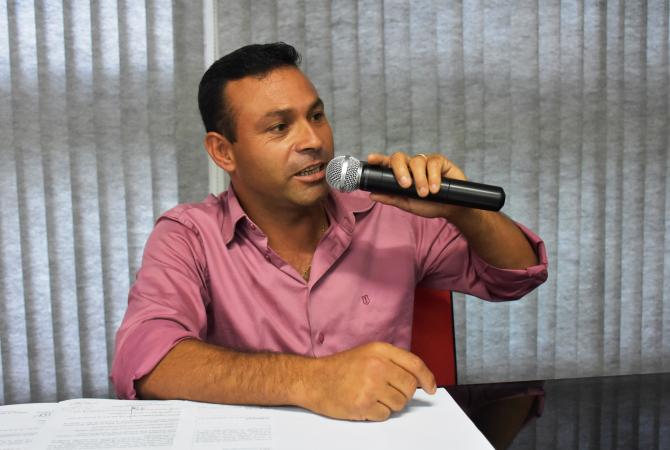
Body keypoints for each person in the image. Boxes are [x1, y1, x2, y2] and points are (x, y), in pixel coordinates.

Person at [111, 42, 548, 422]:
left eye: (316, 116)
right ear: (223, 152)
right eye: (280, 127)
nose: (313, 140)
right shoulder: (187, 235)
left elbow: (517, 275)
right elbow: (145, 363)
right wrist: (312, 380)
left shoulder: (390, 210)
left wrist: (461, 211)